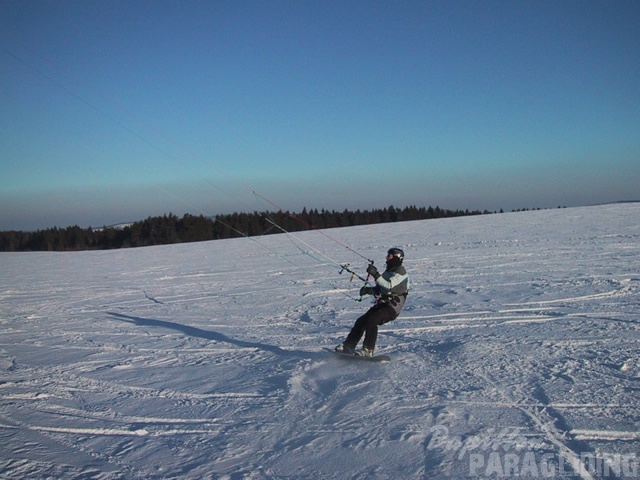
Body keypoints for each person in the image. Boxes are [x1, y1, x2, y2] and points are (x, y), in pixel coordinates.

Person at [336, 247, 409, 357]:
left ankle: (368, 350)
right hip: (383, 304)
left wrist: (375, 274)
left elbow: (388, 286)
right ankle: (348, 346)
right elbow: (381, 288)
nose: (386, 257)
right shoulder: (389, 271)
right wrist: (368, 290)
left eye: (389, 256)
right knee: (361, 321)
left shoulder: (401, 273)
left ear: (396, 257)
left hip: (392, 307)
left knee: (372, 320)